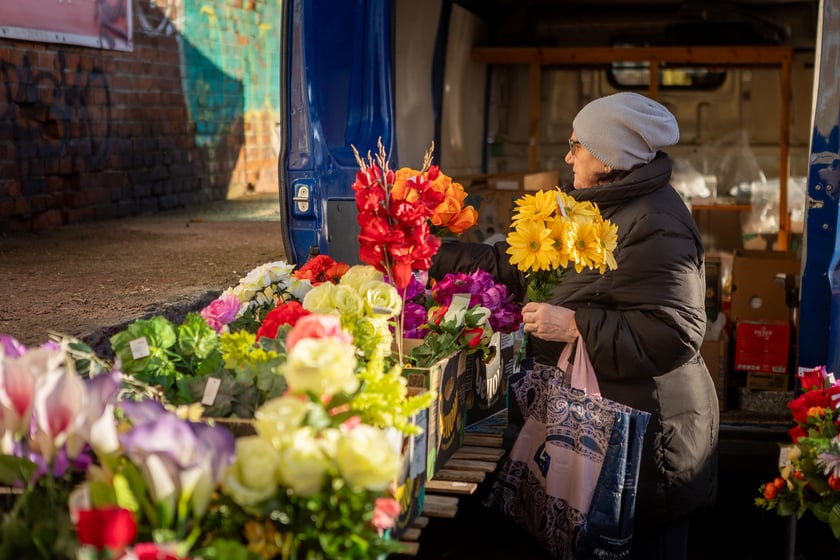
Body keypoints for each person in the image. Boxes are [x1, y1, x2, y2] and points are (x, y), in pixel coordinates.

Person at [430, 91, 719, 560]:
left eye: (577, 146)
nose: (568, 156)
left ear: (608, 158)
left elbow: (678, 333)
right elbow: (513, 264)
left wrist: (577, 325)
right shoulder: (598, 205)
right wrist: (427, 254)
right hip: (612, 430)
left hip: (650, 447)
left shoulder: (656, 222)